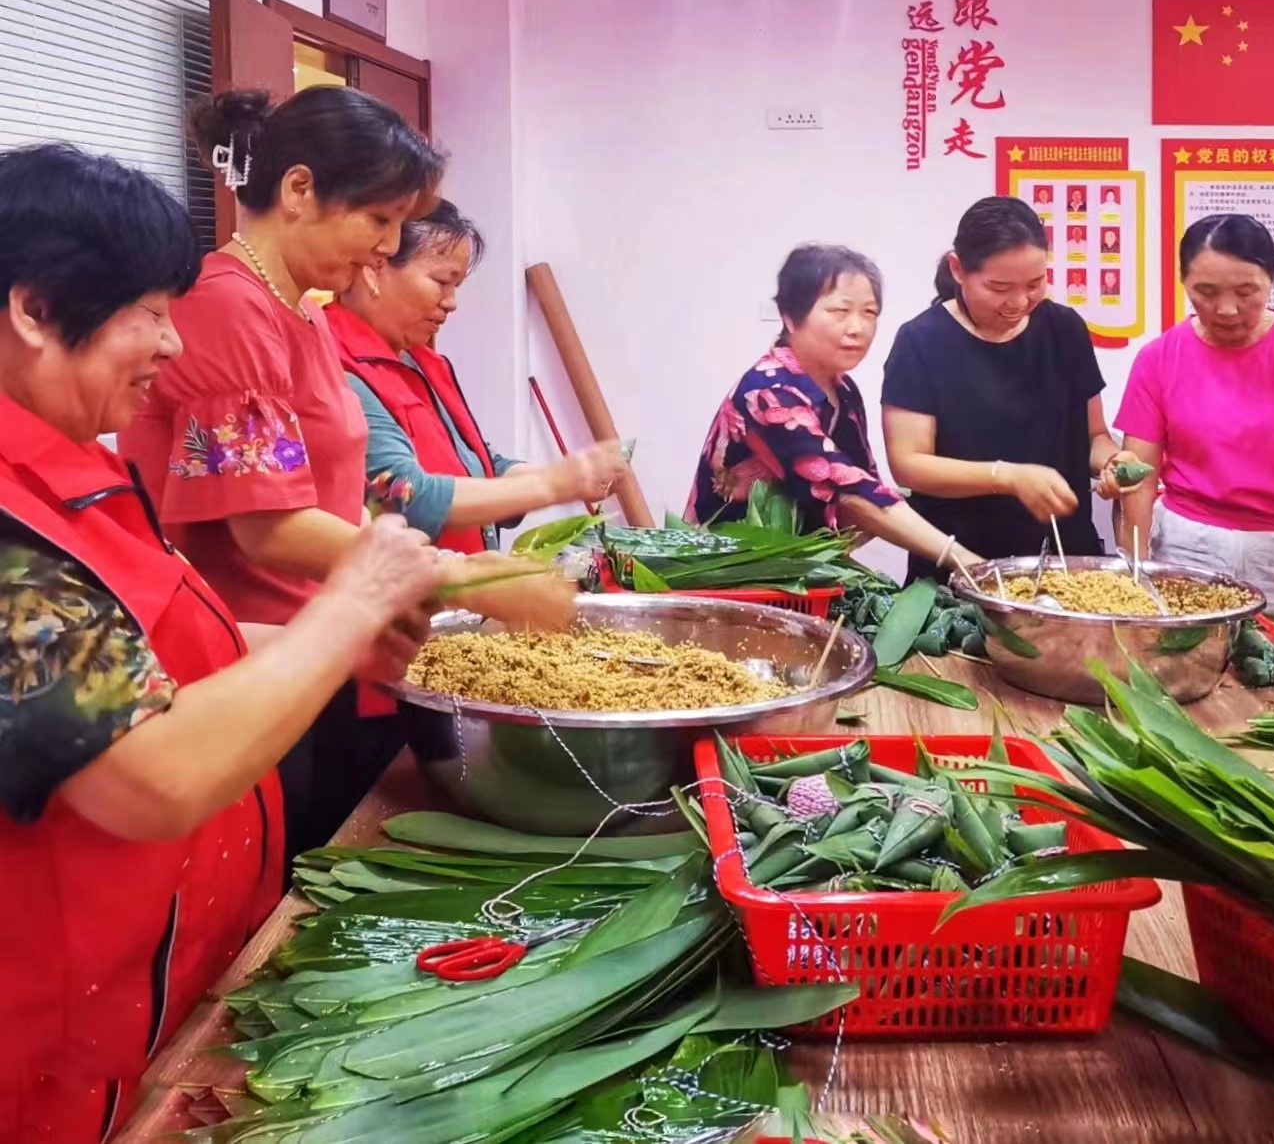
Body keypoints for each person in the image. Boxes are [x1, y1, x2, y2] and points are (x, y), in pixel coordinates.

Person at [0, 144, 442, 1140]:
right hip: (51, 1063)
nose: (168, 343)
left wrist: (328, 640)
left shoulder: (74, 469)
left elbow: (140, 651)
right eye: (147, 312)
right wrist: (341, 610)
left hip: (152, 1001)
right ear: (33, 308)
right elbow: (143, 772)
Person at [120, 88, 569, 862]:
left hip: (318, 649)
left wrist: (434, 574)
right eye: (378, 220)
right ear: (299, 191)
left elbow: (328, 496)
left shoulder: (302, 310)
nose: (385, 246)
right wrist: (458, 577)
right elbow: (267, 525)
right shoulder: (230, 308)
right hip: (248, 658)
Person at [327, 199, 626, 552]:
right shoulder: (335, 362)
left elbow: (477, 464)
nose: (451, 302)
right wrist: (552, 484)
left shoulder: (426, 363)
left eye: (457, 287)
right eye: (441, 281)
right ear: (375, 269)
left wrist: (575, 474)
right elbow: (400, 493)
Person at [1115, 214, 1274, 611]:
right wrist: (1134, 568)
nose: (1227, 309)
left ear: (1271, 279)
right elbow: (1139, 479)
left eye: (1246, 291)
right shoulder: (1159, 359)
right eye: (1205, 291)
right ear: (1183, 283)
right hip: (1187, 552)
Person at [881, 197, 1142, 582]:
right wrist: (1008, 477)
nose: (1019, 303)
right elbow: (910, 463)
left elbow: (1093, 436)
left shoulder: (1065, 329)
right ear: (958, 269)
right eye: (999, 287)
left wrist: (1112, 462)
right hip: (960, 567)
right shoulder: (922, 341)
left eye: (1035, 284)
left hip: (1065, 565)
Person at [690, 244, 974, 573]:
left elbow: (865, 485)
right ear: (790, 317)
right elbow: (851, 494)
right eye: (840, 312)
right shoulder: (770, 392)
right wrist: (966, 562)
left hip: (798, 574)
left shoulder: (844, 390)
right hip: (732, 577)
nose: (857, 328)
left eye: (869, 313)